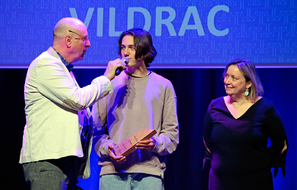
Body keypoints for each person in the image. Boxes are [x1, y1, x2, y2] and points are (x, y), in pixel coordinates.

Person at [19, 17, 126, 189]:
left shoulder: (62, 68)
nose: (89, 44)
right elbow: (78, 100)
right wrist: (107, 77)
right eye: (84, 38)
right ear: (68, 40)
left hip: (63, 162)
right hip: (49, 161)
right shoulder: (46, 64)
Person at [92, 28, 179, 190]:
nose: (125, 53)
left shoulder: (164, 85)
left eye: (131, 47)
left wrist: (155, 143)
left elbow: (171, 136)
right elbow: (96, 130)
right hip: (113, 172)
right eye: (123, 48)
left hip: (149, 172)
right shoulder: (109, 83)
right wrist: (108, 147)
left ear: (145, 51)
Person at [202, 58, 288, 190]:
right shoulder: (215, 106)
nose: (227, 81)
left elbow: (280, 143)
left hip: (256, 182)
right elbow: (207, 143)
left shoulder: (265, 108)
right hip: (220, 182)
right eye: (226, 76)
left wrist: (259, 163)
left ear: (248, 83)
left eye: (233, 78)